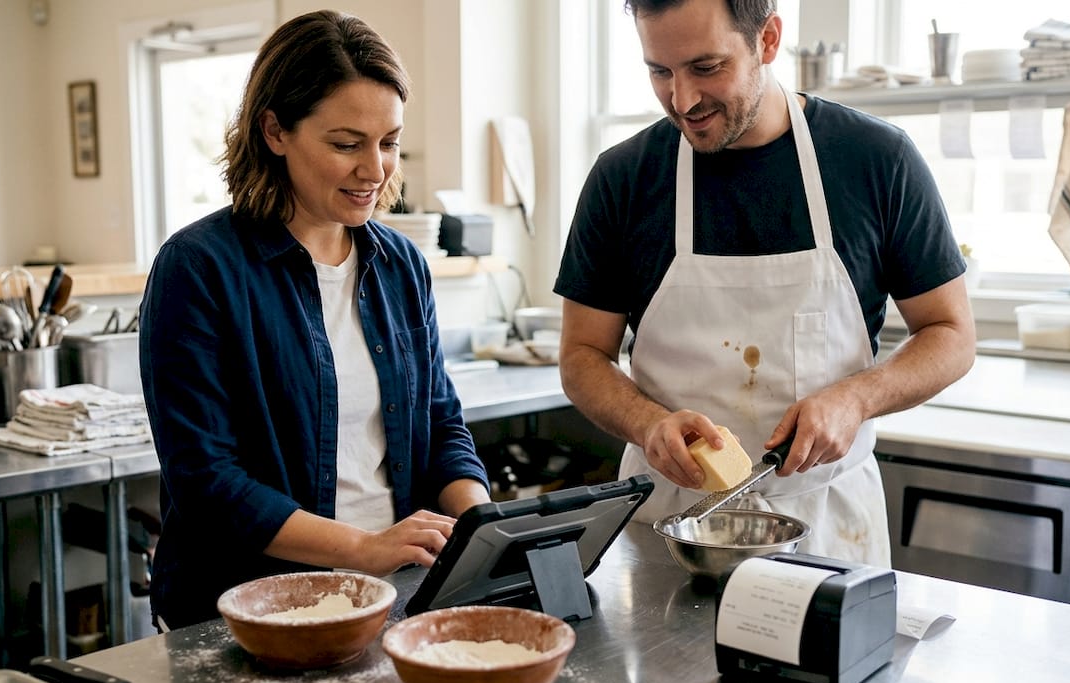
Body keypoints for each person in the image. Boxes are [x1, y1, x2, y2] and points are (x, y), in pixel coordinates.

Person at [554, 0, 976, 566]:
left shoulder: (876, 160)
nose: (682, 100)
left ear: (768, 39)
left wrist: (856, 397)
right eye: (660, 71)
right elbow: (582, 354)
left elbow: (951, 333)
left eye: (706, 68)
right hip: (672, 528)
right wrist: (648, 423)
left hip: (826, 523)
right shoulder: (622, 178)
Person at [139, 10, 490, 629]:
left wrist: (479, 523)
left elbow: (439, 422)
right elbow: (208, 483)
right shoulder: (198, 269)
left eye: (389, 143)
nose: (376, 171)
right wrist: (363, 548)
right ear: (275, 131)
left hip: (393, 596)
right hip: (244, 610)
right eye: (346, 144)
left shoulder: (400, 263)